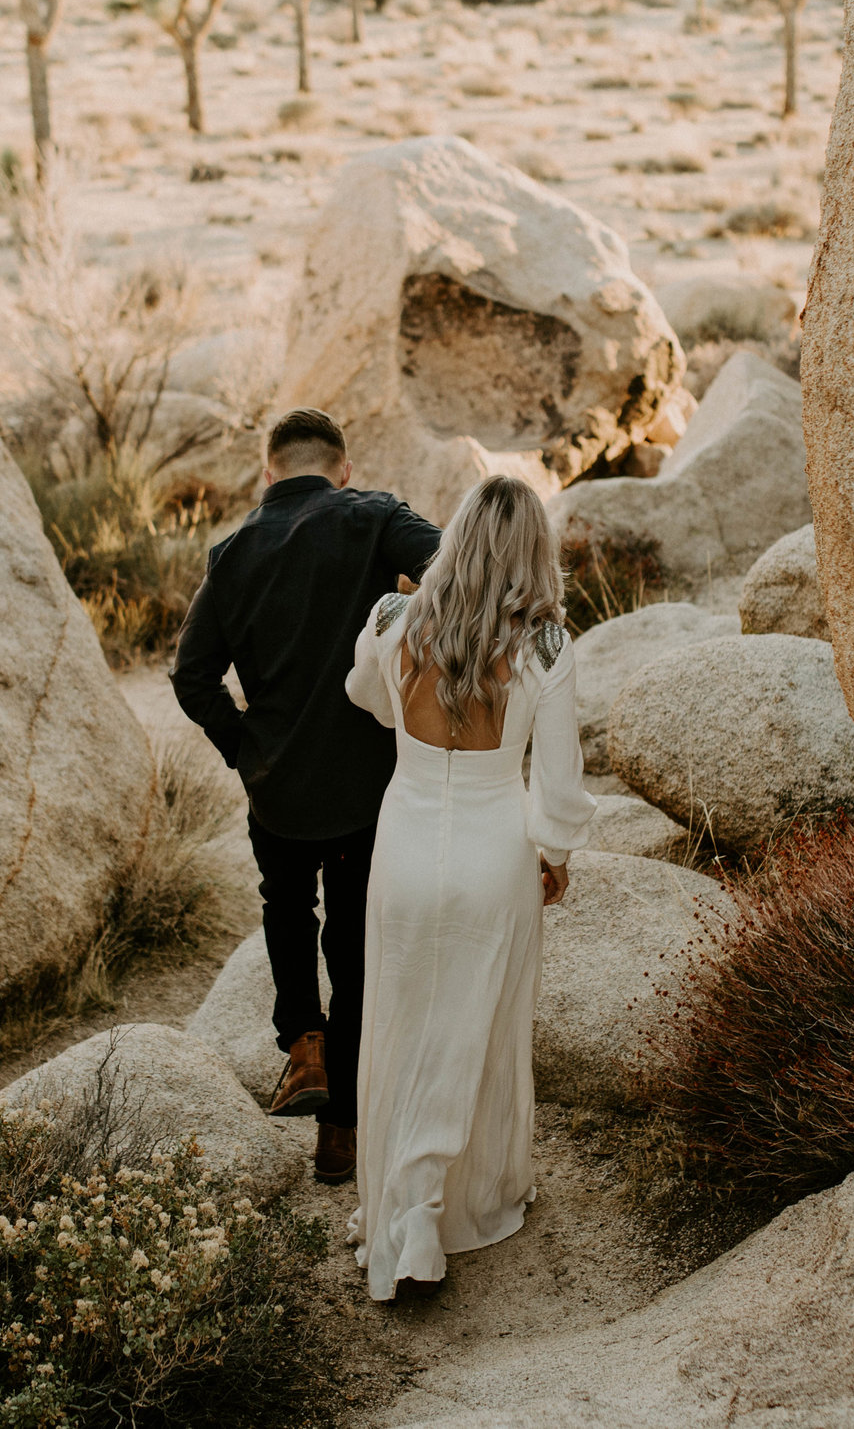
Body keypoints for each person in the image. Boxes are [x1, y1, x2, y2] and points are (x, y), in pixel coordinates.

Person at [171, 407, 444, 1184]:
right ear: (342, 466)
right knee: (354, 947)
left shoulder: (230, 554)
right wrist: (402, 626)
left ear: (268, 472)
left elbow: (190, 676)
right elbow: (453, 568)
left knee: (285, 903)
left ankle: (303, 1042)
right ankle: (342, 1132)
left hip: (277, 785)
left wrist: (244, 745)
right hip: (366, 781)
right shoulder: (377, 516)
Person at [341, 474, 596, 1303]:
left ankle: (405, 1204)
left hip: (406, 843)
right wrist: (553, 850)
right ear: (534, 552)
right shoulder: (548, 647)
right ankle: (451, 1205)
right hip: (496, 852)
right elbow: (558, 783)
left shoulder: (390, 619)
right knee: (477, 1027)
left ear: (452, 538)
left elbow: (366, 700)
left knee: (405, 1020)